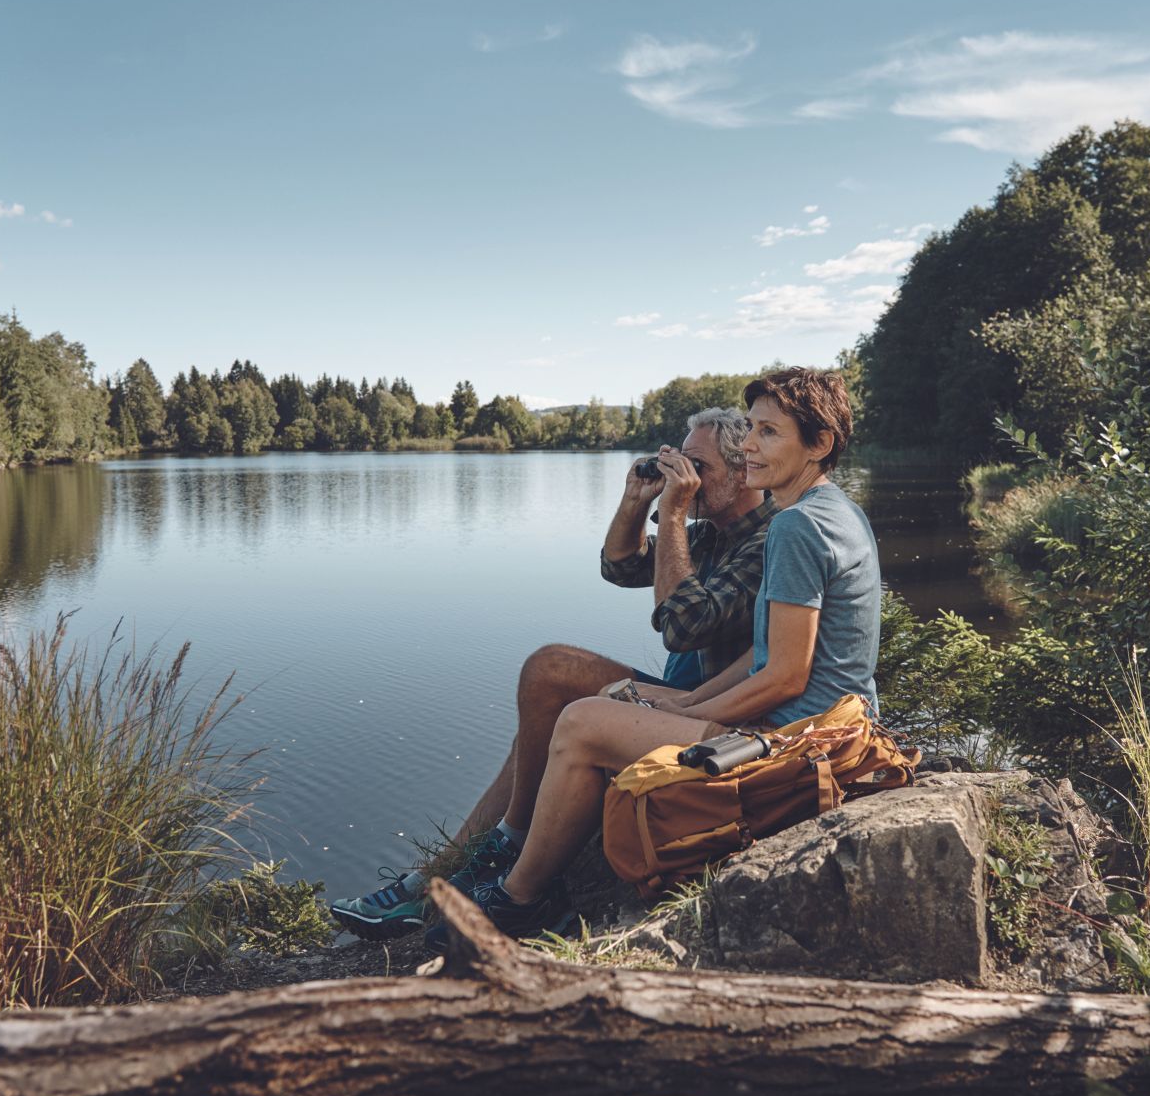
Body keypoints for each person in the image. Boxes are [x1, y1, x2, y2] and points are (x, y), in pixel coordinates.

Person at [422, 366, 880, 951]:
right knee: (593, 700)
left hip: (798, 741)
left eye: (768, 434)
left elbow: (787, 673)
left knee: (584, 723)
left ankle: (520, 899)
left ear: (819, 445)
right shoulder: (832, 511)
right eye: (751, 433)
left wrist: (688, 709)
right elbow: (773, 654)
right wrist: (685, 700)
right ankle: (517, 871)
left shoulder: (793, 528)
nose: (749, 449)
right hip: (822, 727)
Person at [331, 407, 776, 938]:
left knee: (556, 685)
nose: (686, 476)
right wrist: (636, 504)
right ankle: (452, 868)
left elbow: (681, 627)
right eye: (681, 462)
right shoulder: (713, 535)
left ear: (741, 470)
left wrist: (676, 515)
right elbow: (621, 566)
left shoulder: (767, 539)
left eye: (696, 464)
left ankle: (493, 857)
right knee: (547, 689)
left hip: (714, 710)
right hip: (687, 694)